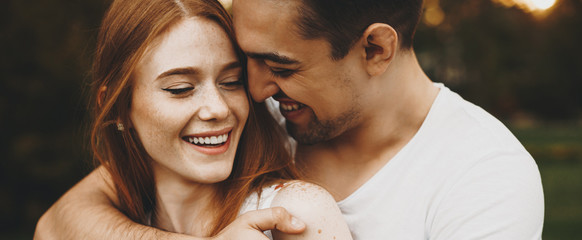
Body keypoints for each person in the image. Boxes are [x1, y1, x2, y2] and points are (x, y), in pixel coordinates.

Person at [36, 0, 545, 239]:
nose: (254, 92)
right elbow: (64, 217)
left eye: (281, 67)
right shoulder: (251, 123)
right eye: (246, 64)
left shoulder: (485, 178)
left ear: (375, 48)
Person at [34, 0, 353, 239]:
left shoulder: (295, 212)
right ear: (119, 108)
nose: (218, 108)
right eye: (181, 89)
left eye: (231, 82)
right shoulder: (115, 220)